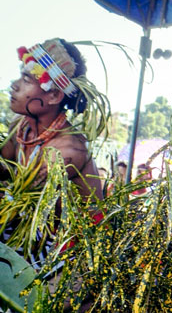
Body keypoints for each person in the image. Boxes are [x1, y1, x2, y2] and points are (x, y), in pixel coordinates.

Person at [2, 38, 103, 202]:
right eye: (21, 76)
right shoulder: (20, 124)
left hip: (64, 227)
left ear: (54, 96)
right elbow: (5, 168)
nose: (14, 85)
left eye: (27, 79)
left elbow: (24, 202)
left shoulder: (66, 151)